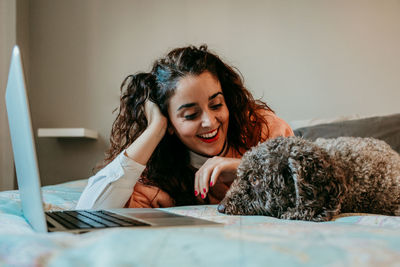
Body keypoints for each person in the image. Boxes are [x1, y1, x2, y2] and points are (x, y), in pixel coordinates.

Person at [76, 45, 294, 210]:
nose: (209, 122)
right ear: (170, 123)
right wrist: (155, 128)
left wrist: (246, 167)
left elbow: (311, 184)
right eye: (190, 115)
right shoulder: (156, 178)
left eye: (216, 104)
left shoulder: (262, 129)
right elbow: (89, 213)